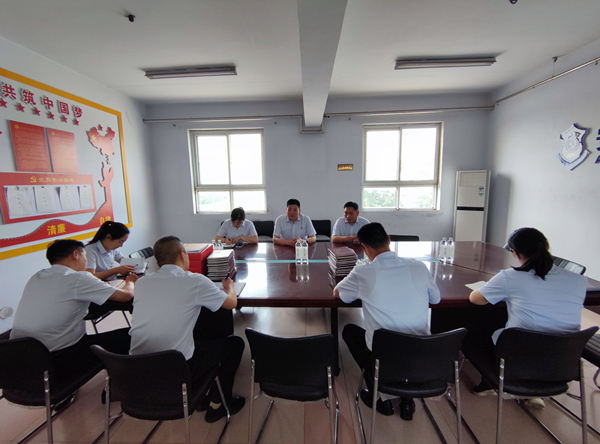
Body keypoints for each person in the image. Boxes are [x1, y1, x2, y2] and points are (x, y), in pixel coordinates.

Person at [128, 236, 245, 423]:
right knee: (235, 345)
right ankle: (218, 404)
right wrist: (229, 287)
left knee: (196, 335)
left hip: (137, 370)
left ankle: (202, 395)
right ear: (183, 254)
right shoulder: (195, 281)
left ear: (157, 262)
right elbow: (231, 303)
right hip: (178, 370)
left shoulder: (141, 283)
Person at [468, 227, 587, 408]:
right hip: (562, 362)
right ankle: (535, 392)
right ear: (547, 246)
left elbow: (475, 299)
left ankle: (489, 383)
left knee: (481, 324)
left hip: (519, 362)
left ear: (515, 253)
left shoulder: (510, 277)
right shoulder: (578, 280)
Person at [334, 222, 440, 420]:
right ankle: (407, 400)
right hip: (422, 354)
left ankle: (379, 396)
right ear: (389, 239)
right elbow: (435, 299)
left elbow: (339, 293)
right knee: (401, 341)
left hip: (384, 357)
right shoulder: (419, 267)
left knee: (349, 331)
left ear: (364, 248)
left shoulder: (364, 272)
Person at [10, 239, 135, 377]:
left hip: (17, 357)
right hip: (57, 359)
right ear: (75, 254)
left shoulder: (37, 276)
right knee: (130, 335)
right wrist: (130, 282)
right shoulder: (78, 278)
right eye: (85, 256)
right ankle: (126, 380)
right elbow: (126, 296)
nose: (86, 261)